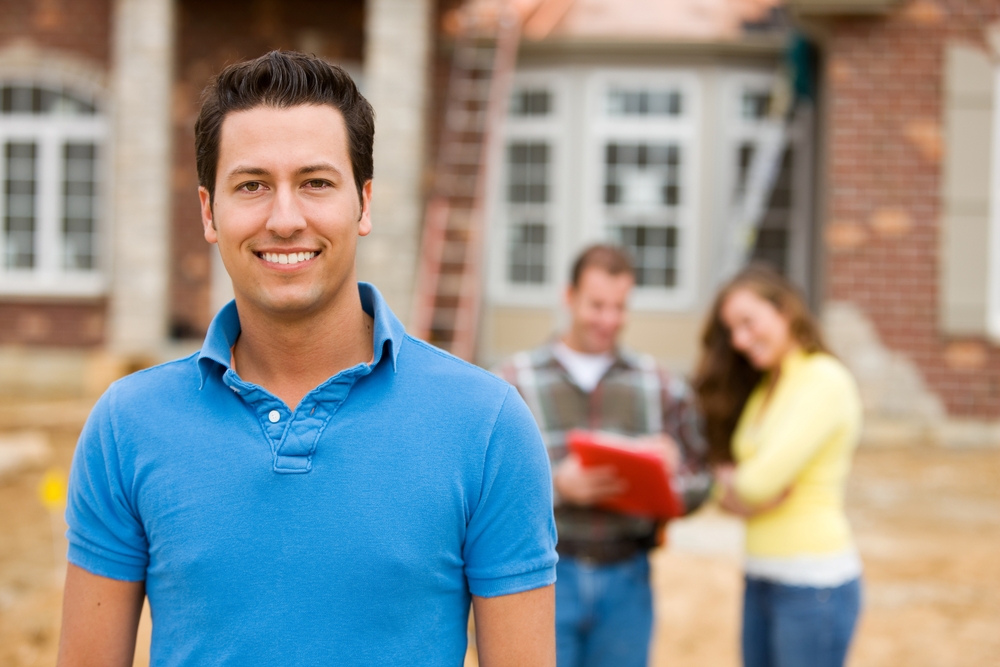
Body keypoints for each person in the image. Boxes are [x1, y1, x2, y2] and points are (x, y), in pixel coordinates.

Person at [57, 51, 557, 667]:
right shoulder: (125, 427)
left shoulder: (487, 427)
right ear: (210, 212)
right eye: (252, 185)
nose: (285, 218)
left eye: (316, 183)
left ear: (364, 204)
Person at [493, 244, 712, 667]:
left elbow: (701, 477)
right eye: (596, 305)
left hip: (628, 579)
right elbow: (483, 488)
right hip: (542, 577)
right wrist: (556, 487)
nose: (608, 320)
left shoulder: (660, 384)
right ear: (569, 297)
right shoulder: (512, 382)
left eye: (619, 307)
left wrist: (669, 480)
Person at [693, 264, 863, 667]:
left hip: (813, 585)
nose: (739, 340)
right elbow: (727, 484)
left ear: (784, 309)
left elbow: (755, 482)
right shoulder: (768, 385)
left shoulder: (825, 380)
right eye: (732, 330)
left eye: (748, 322)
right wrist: (736, 488)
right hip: (761, 576)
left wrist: (741, 488)